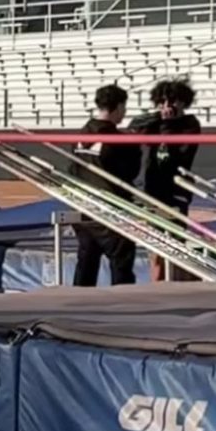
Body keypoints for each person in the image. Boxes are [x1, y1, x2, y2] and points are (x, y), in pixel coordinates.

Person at [69, 85, 142, 287]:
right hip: (111, 210)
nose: (125, 113)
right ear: (118, 107)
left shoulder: (80, 135)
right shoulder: (118, 140)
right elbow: (130, 173)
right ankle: (123, 307)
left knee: (86, 263)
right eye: (124, 108)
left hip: (85, 208)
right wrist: (136, 147)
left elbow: (72, 169)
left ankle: (77, 306)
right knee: (121, 264)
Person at [134, 78, 201, 282]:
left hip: (175, 191)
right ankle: (156, 285)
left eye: (172, 101)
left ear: (183, 102)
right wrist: (157, 118)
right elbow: (134, 125)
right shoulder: (153, 121)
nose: (167, 107)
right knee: (155, 247)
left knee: (176, 245)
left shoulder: (190, 124)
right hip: (150, 190)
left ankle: (175, 284)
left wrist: (169, 124)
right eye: (162, 102)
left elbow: (182, 153)